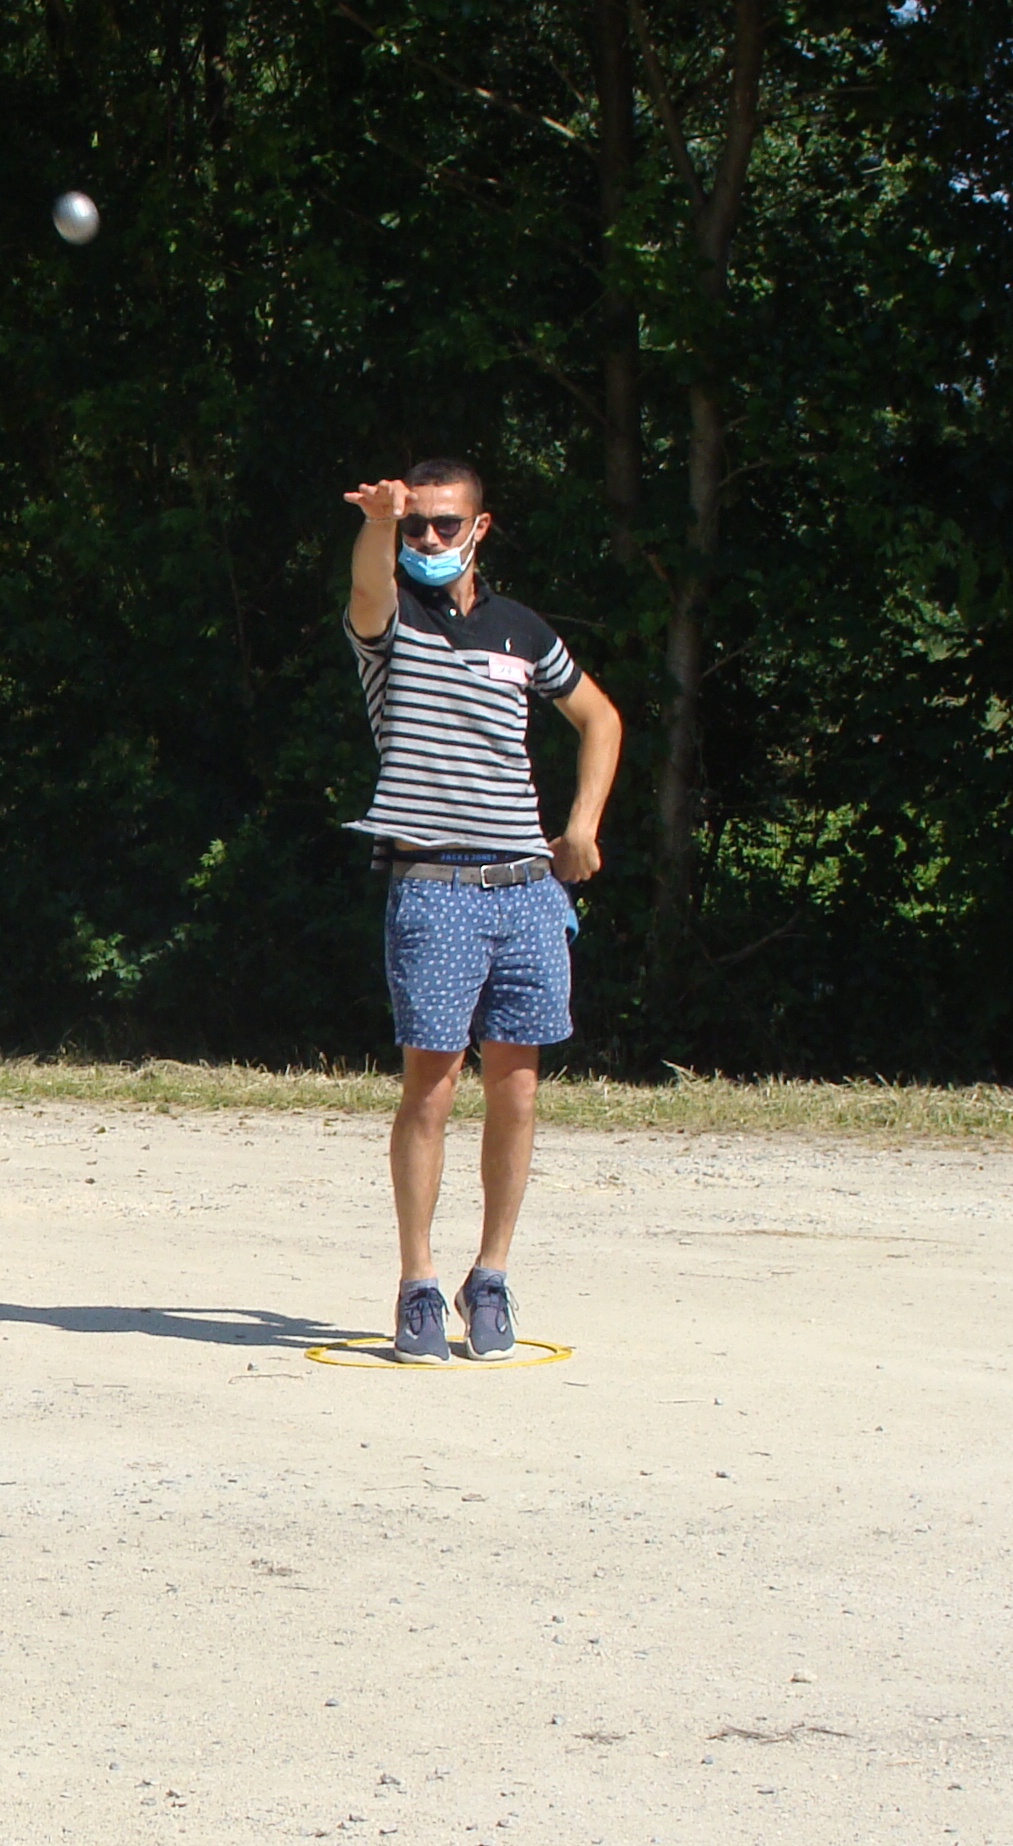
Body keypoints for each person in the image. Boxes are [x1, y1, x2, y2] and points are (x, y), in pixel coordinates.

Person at [340, 459, 622, 1361]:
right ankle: (418, 1283)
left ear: (480, 527)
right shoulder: (393, 622)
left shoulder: (521, 630)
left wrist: (581, 826)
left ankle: (489, 1274)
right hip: (435, 887)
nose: (427, 539)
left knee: (518, 1086)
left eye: (444, 524)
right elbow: (367, 585)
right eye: (415, 524)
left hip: (527, 888)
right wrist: (377, 522)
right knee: (431, 1086)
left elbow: (601, 719)